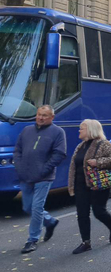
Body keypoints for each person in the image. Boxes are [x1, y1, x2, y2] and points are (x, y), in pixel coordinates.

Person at [13, 105, 66, 254]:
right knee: (27, 207)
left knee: (36, 207)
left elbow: (60, 154)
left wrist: (44, 169)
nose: (40, 118)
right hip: (26, 176)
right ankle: (50, 221)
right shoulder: (27, 130)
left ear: (52, 118)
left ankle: (32, 240)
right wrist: (20, 167)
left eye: (44, 115)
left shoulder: (58, 132)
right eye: (39, 114)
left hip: (44, 177)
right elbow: (17, 150)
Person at [67, 119, 111, 254]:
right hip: (81, 185)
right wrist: (72, 184)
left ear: (90, 130)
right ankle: (86, 242)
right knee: (82, 214)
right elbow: (74, 166)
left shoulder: (103, 144)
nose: (79, 130)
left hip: (98, 184)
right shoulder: (81, 146)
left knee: (99, 211)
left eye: (82, 128)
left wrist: (98, 162)